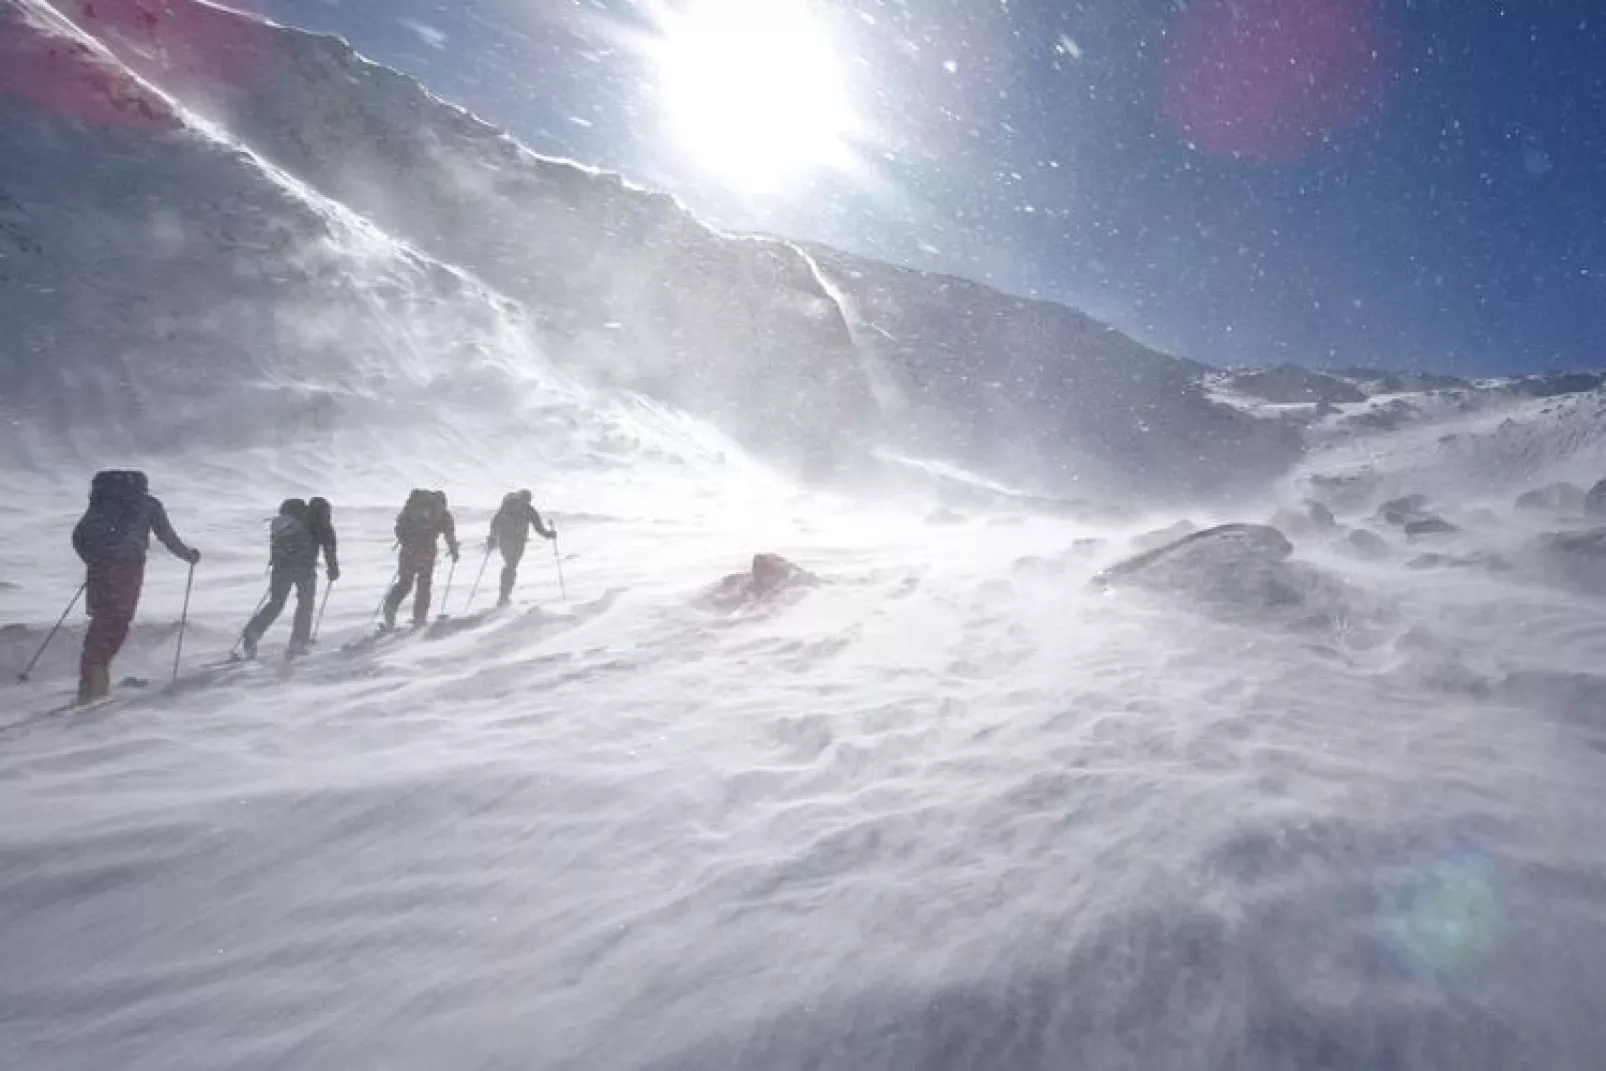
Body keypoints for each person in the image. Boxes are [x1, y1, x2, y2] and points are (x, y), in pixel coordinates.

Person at [71, 470, 200, 703]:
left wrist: (95, 560)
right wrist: (188, 556)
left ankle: (90, 684)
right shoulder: (148, 504)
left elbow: (79, 535)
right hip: (129, 569)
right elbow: (167, 536)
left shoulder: (101, 502)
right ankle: (97, 687)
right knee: (117, 622)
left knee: (101, 622)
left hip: (100, 569)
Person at [240, 499, 319, 658]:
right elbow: (307, 548)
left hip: (280, 569)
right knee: (305, 604)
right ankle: (298, 641)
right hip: (302, 569)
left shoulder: (277, 525)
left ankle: (253, 630)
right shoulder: (300, 525)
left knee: (276, 603)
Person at [382, 488, 459, 630]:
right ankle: (419, 618)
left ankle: (389, 610)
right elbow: (449, 533)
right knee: (424, 585)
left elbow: (399, 526)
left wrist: (407, 541)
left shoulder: (413, 508)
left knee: (405, 583)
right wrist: (454, 549)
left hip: (408, 550)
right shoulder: (443, 514)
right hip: (427, 551)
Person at [487, 489, 556, 606]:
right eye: (523, 500)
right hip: (507, 540)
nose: (523, 503)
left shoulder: (527, 510)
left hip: (517, 541)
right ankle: (503, 597)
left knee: (511, 566)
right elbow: (495, 522)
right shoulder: (510, 508)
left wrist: (548, 534)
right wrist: (492, 537)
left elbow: (538, 527)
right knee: (511, 565)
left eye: (526, 501)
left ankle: (504, 596)